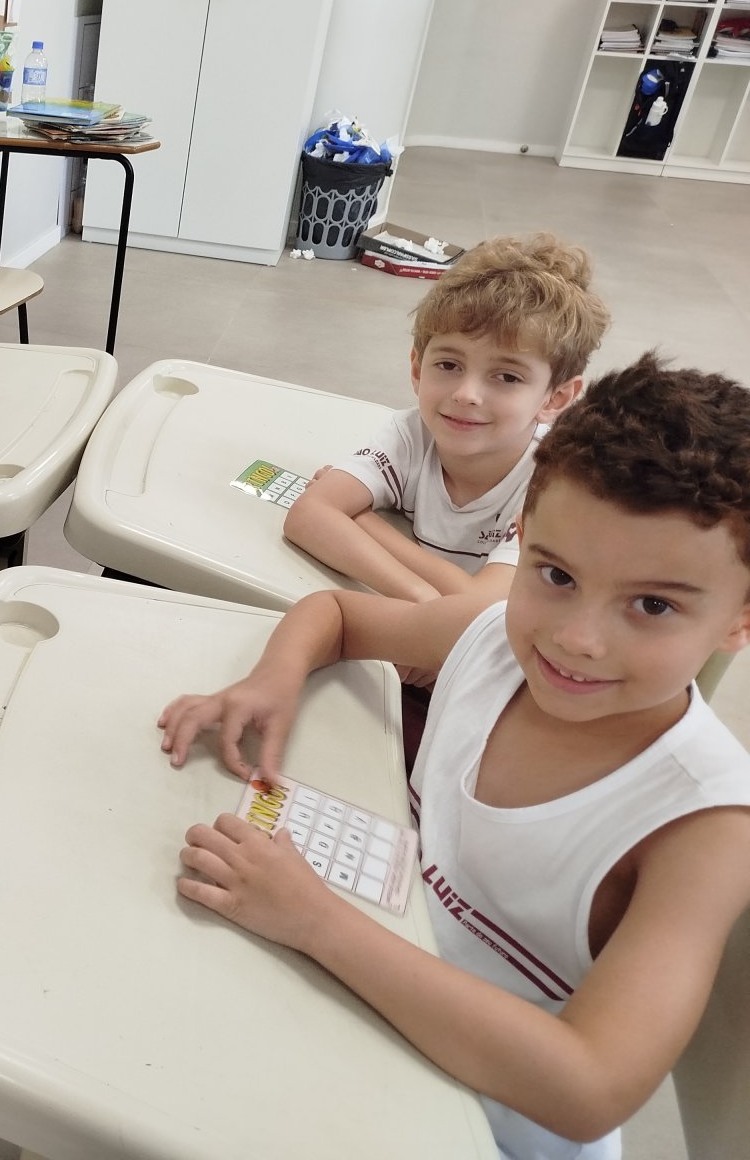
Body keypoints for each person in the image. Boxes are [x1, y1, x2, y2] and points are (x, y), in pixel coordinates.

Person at [159, 354, 750, 1159]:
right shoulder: (491, 639)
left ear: (738, 621)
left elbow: (588, 1087)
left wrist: (316, 922)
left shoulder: (708, 824)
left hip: (486, 1127)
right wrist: (273, 680)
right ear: (521, 539)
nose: (577, 638)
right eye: (555, 574)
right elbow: (336, 614)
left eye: (652, 604)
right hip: (363, 1011)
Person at [283, 234, 609, 605]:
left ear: (556, 398)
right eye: (449, 365)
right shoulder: (410, 435)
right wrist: (421, 597)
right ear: (417, 369)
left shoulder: (553, 482)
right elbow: (308, 514)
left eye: (507, 377)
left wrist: (362, 520)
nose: (466, 394)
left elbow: (480, 604)